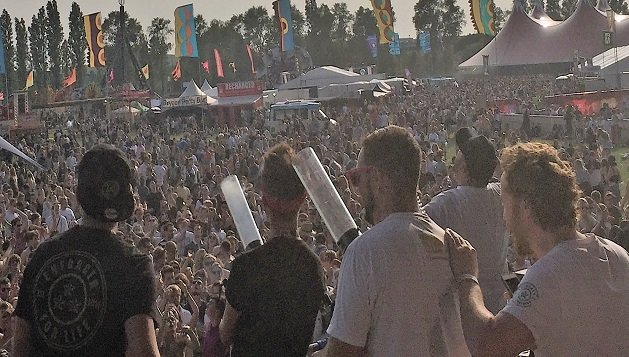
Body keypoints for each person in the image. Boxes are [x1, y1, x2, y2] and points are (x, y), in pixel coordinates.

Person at [447, 142, 629, 356]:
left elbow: (487, 346)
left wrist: (467, 277)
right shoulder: (617, 254)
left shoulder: (549, 275)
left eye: (504, 205)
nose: (505, 219)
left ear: (524, 208)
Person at [321, 126, 469, 356]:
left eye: (357, 178)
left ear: (378, 178)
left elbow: (343, 351)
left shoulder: (365, 252)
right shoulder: (450, 244)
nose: (355, 190)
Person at [13, 144, 160, 356]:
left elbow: (20, 345)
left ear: (80, 195)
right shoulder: (133, 265)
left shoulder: (42, 256)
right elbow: (143, 351)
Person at [219, 143, 326, 357]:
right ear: (303, 198)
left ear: (264, 201)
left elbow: (225, 333)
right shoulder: (313, 266)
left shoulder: (246, 266)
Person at [424, 127, 509, 313]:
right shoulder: (501, 195)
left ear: (463, 168)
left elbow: (411, 227)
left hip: (464, 310)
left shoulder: (446, 204)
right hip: (498, 304)